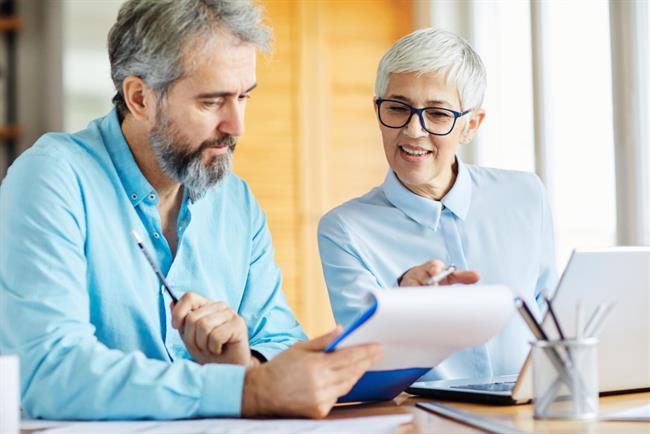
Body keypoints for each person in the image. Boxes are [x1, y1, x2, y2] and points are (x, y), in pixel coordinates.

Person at [0, 0, 381, 420]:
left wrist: (242, 363)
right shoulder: (51, 178)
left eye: (243, 97)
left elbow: (281, 342)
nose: (237, 126)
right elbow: (50, 373)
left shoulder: (236, 201)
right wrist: (244, 390)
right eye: (212, 102)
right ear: (140, 98)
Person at [318, 28, 557, 382]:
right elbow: (365, 364)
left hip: (531, 410)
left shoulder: (525, 195)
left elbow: (552, 321)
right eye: (398, 108)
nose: (414, 131)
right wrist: (401, 306)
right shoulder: (345, 230)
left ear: (470, 125)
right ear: (377, 110)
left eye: (438, 114)